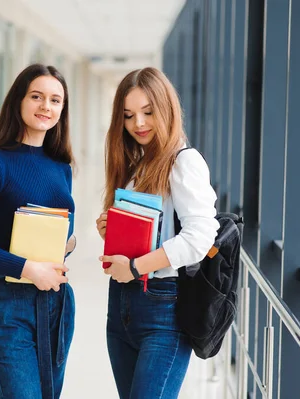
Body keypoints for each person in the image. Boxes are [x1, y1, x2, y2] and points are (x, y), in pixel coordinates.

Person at [0, 63, 76, 399]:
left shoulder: (61, 167)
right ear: (18, 101)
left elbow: (60, 232)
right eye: (36, 96)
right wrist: (28, 268)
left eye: (55, 100)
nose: (45, 107)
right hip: (8, 304)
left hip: (56, 302)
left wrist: (69, 243)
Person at [96, 67, 219, 399]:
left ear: (167, 108)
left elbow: (200, 236)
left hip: (163, 310)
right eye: (129, 115)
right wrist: (110, 228)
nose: (138, 123)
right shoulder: (138, 164)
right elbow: (150, 232)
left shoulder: (183, 162)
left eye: (148, 112)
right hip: (121, 305)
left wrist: (136, 267)